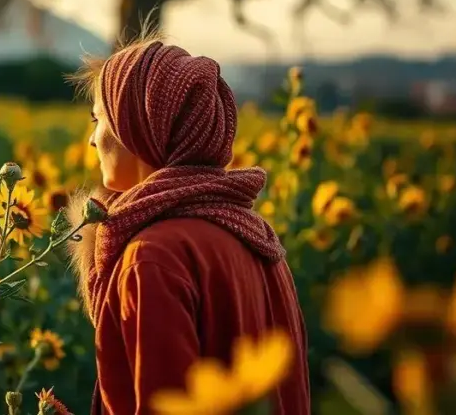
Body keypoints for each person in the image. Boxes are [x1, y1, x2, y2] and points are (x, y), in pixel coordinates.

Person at [65, 36, 311, 414]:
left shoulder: (151, 257)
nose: (92, 141)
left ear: (136, 126)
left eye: (98, 119)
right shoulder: (255, 235)